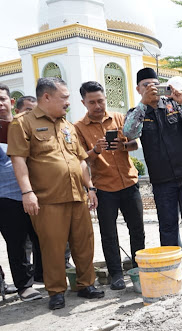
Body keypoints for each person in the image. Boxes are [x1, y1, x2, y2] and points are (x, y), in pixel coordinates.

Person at [8, 77, 104, 310]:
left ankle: (85, 284)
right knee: (52, 246)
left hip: (77, 195)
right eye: (64, 97)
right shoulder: (22, 124)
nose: (68, 103)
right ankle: (56, 291)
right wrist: (27, 192)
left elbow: (80, 160)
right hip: (47, 198)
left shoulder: (67, 125)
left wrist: (89, 187)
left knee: (84, 243)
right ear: (46, 97)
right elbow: (18, 161)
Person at [123, 68, 182, 262]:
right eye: (146, 86)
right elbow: (129, 133)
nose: (152, 89)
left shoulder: (173, 104)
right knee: (168, 225)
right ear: (138, 89)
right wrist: (143, 104)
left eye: (155, 84)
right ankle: (173, 265)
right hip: (162, 180)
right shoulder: (137, 112)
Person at [75, 81, 146, 290]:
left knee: (137, 230)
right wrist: (96, 150)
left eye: (101, 101)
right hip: (104, 187)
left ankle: (138, 269)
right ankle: (116, 274)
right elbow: (81, 160)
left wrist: (124, 146)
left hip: (129, 182)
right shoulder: (78, 128)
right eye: (92, 102)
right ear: (83, 103)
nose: (98, 106)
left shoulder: (119, 118)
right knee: (108, 233)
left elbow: (136, 143)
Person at [0, 84, 42, 301]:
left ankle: (43, 276)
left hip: (34, 192)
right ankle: (24, 286)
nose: (0, 104)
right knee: (16, 243)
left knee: (42, 237)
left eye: (2, 99)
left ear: (11, 102)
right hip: (6, 197)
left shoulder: (24, 125)